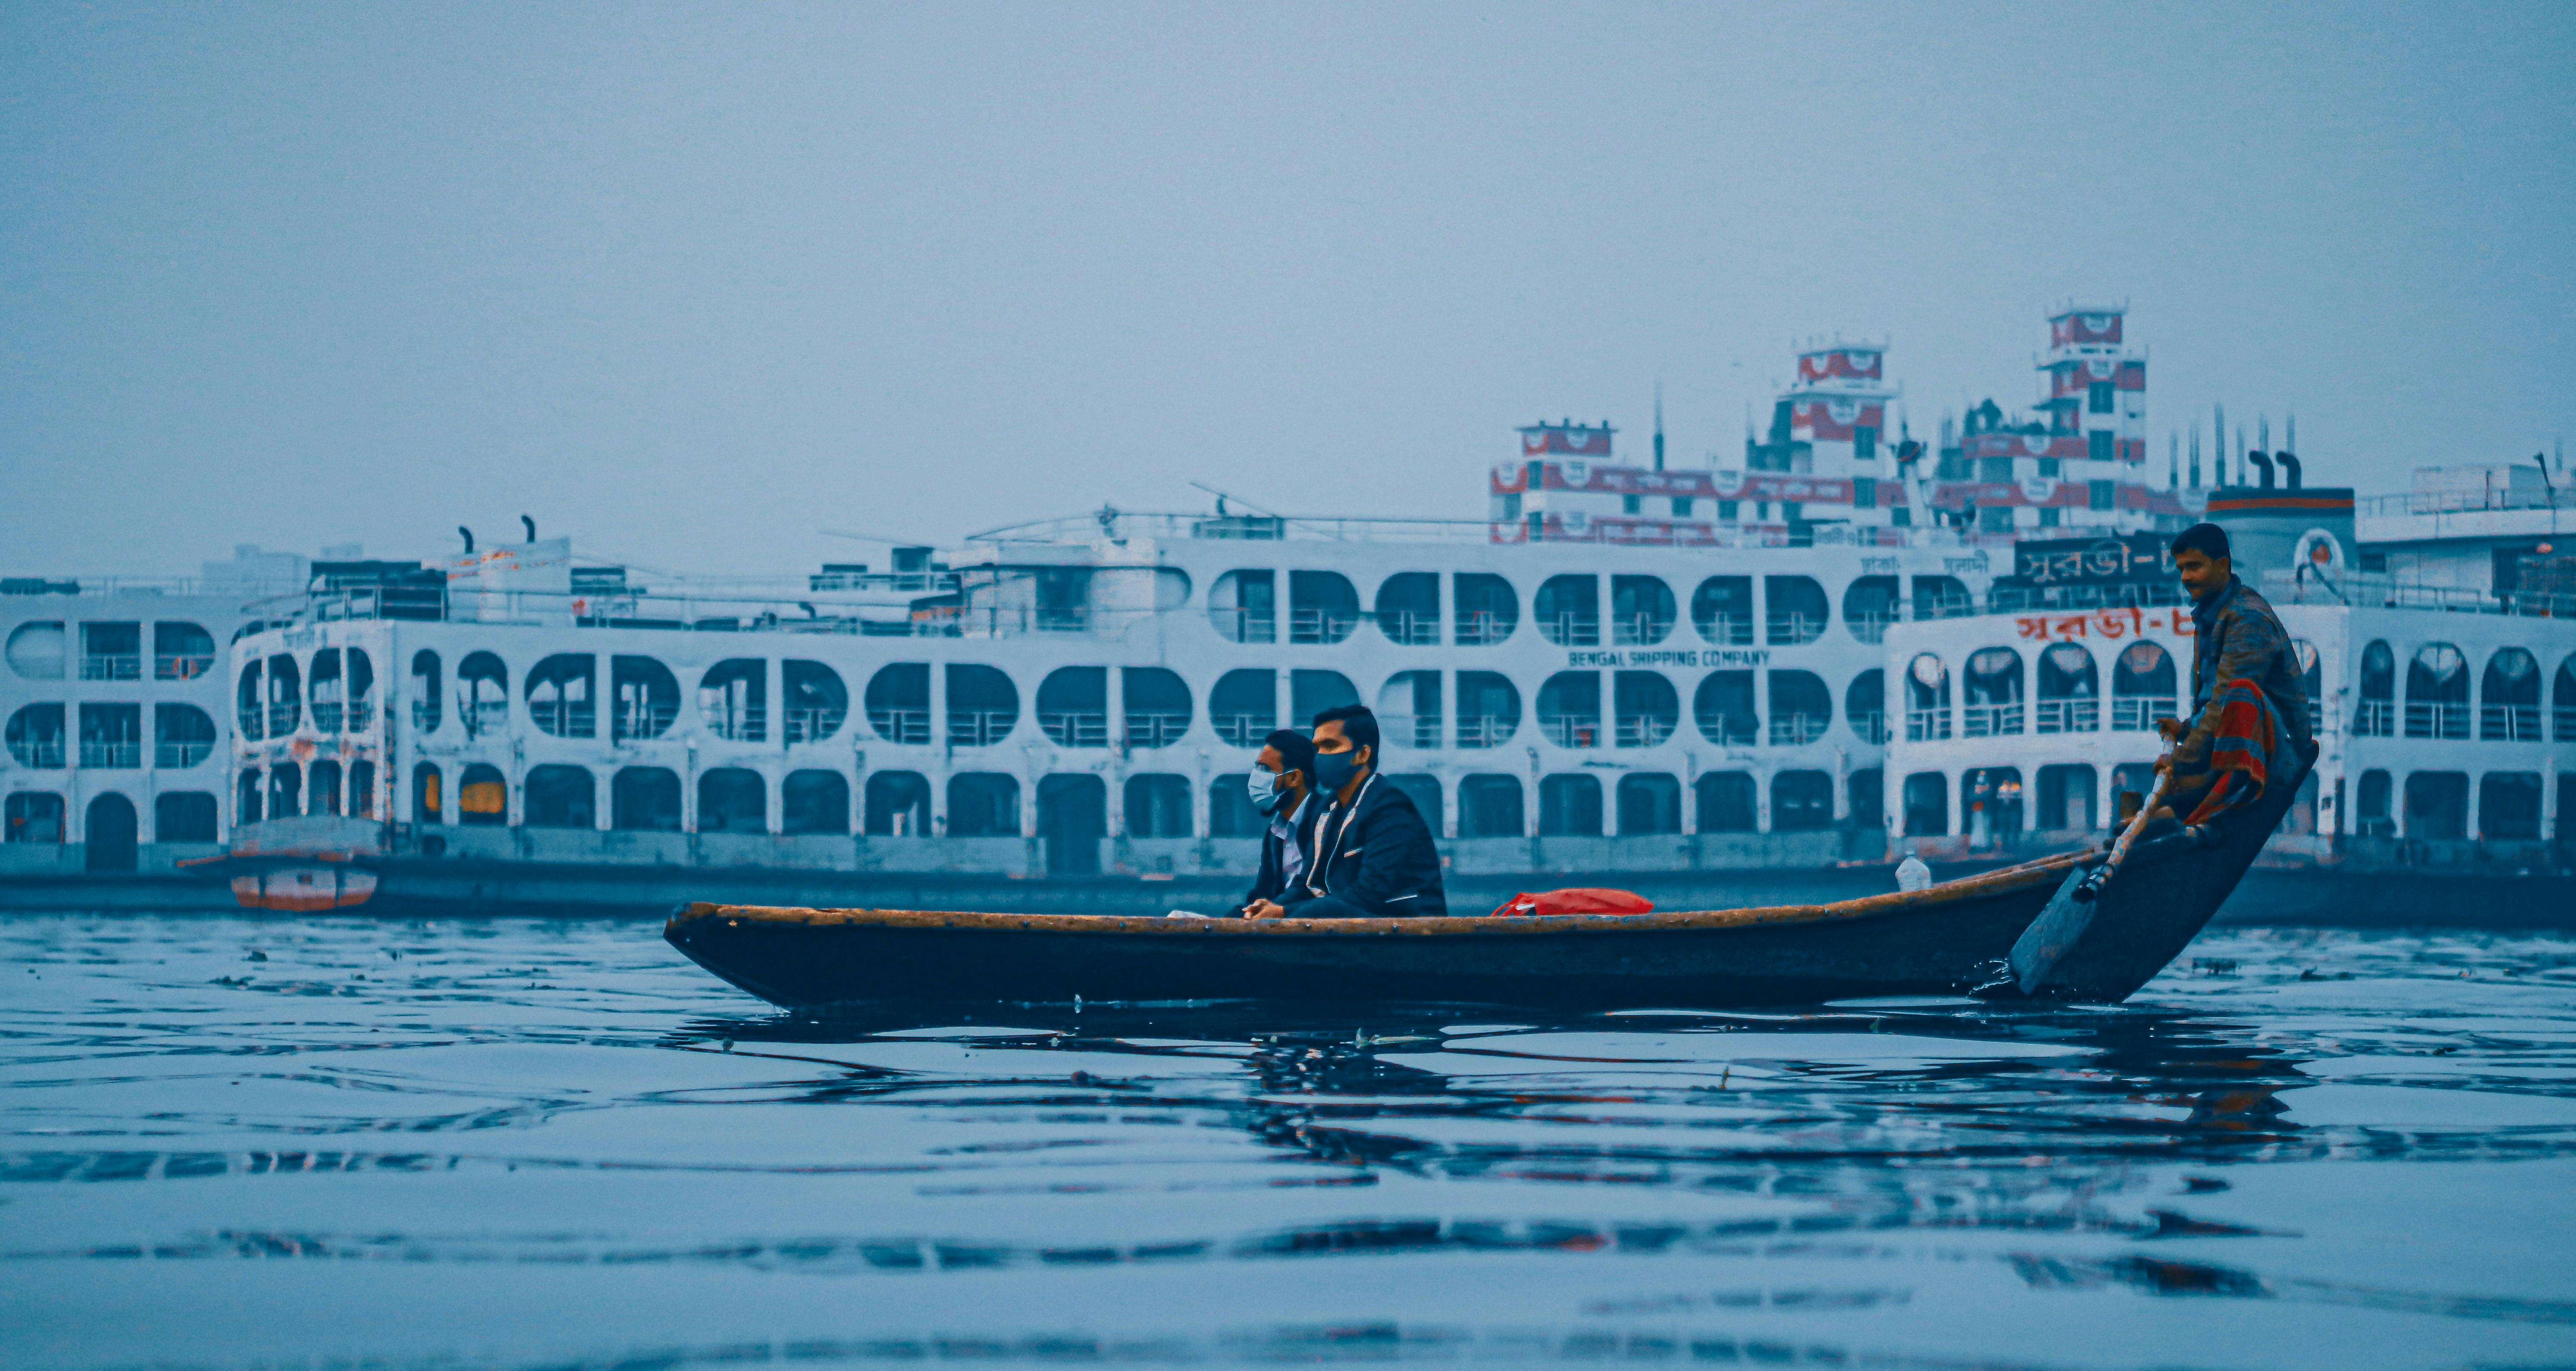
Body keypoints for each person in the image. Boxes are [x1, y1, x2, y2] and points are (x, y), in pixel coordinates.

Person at [2154, 522, 2310, 825]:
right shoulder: (2211, 616)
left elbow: (2227, 701)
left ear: (2223, 565)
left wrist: (2180, 762)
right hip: (2238, 749)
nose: (2185, 577)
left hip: (2274, 757)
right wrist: (2186, 730)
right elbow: (2214, 705)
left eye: (2194, 567)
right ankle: (2191, 799)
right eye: (2182, 569)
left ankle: (2204, 795)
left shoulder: (2248, 619)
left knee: (2241, 693)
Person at [1251, 703, 1447, 918]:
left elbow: (1367, 895)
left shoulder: (1390, 810)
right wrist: (1270, 908)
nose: (1320, 756)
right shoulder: (1327, 809)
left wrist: (1284, 912)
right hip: (1357, 928)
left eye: (1330, 746)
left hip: (1409, 929)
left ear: (1362, 754)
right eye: (1317, 748)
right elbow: (1305, 885)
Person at [1238, 729, 1322, 919]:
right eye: (1258, 768)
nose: (1257, 777)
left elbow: (1311, 886)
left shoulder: (1325, 820)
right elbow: (1262, 893)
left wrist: (1273, 909)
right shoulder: (1275, 832)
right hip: (1282, 925)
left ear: (1294, 778)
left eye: (1266, 770)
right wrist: (1215, 924)